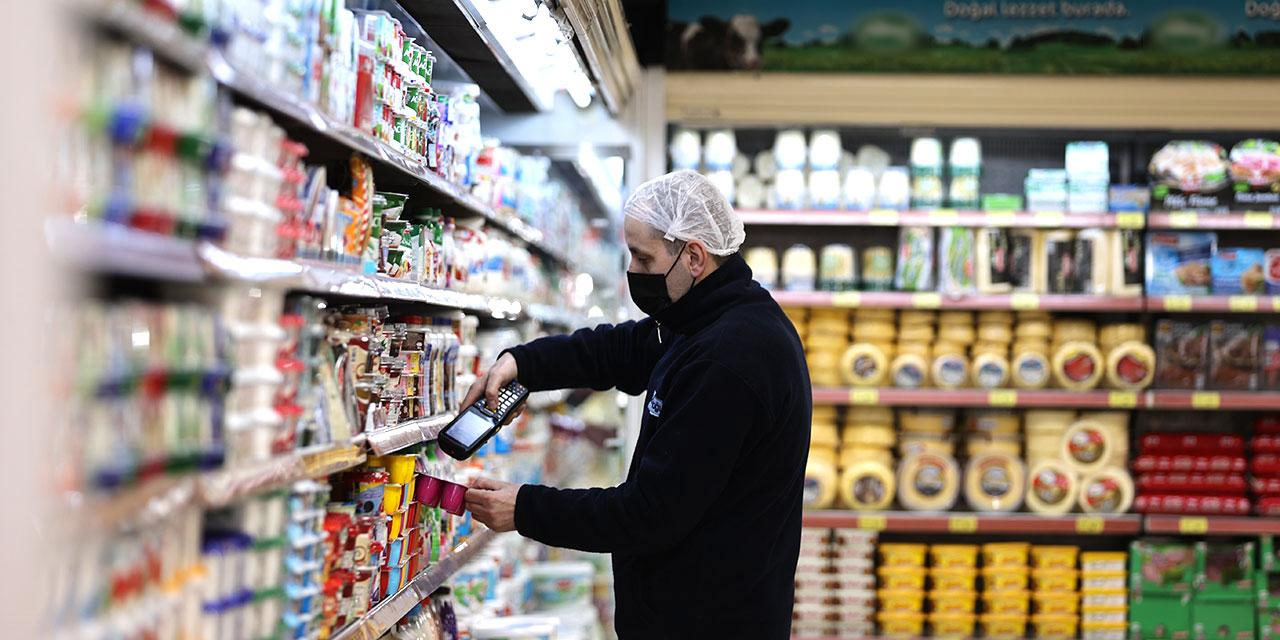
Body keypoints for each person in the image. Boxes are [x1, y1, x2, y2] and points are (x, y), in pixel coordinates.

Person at [462, 170, 811, 638]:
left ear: (694, 256)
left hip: (711, 624)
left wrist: (525, 509)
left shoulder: (730, 358)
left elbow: (651, 514)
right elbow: (621, 350)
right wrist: (522, 363)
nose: (634, 273)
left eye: (644, 258)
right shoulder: (703, 318)